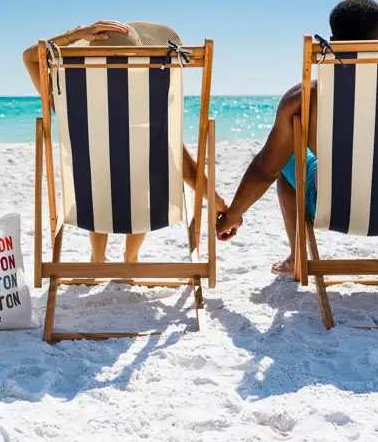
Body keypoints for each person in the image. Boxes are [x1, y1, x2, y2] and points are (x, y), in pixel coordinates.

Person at [215, 0, 378, 276]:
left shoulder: (305, 98)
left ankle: (298, 257)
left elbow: (265, 167)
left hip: (337, 209)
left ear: (333, 41)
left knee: (288, 158)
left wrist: (233, 214)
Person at [23, 19, 227, 264]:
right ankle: (131, 258)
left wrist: (75, 35)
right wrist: (222, 205)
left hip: (93, 200)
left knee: (97, 180)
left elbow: (30, 58)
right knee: (145, 177)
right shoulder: (152, 113)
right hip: (142, 197)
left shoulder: (74, 105)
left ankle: (97, 260)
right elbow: (191, 173)